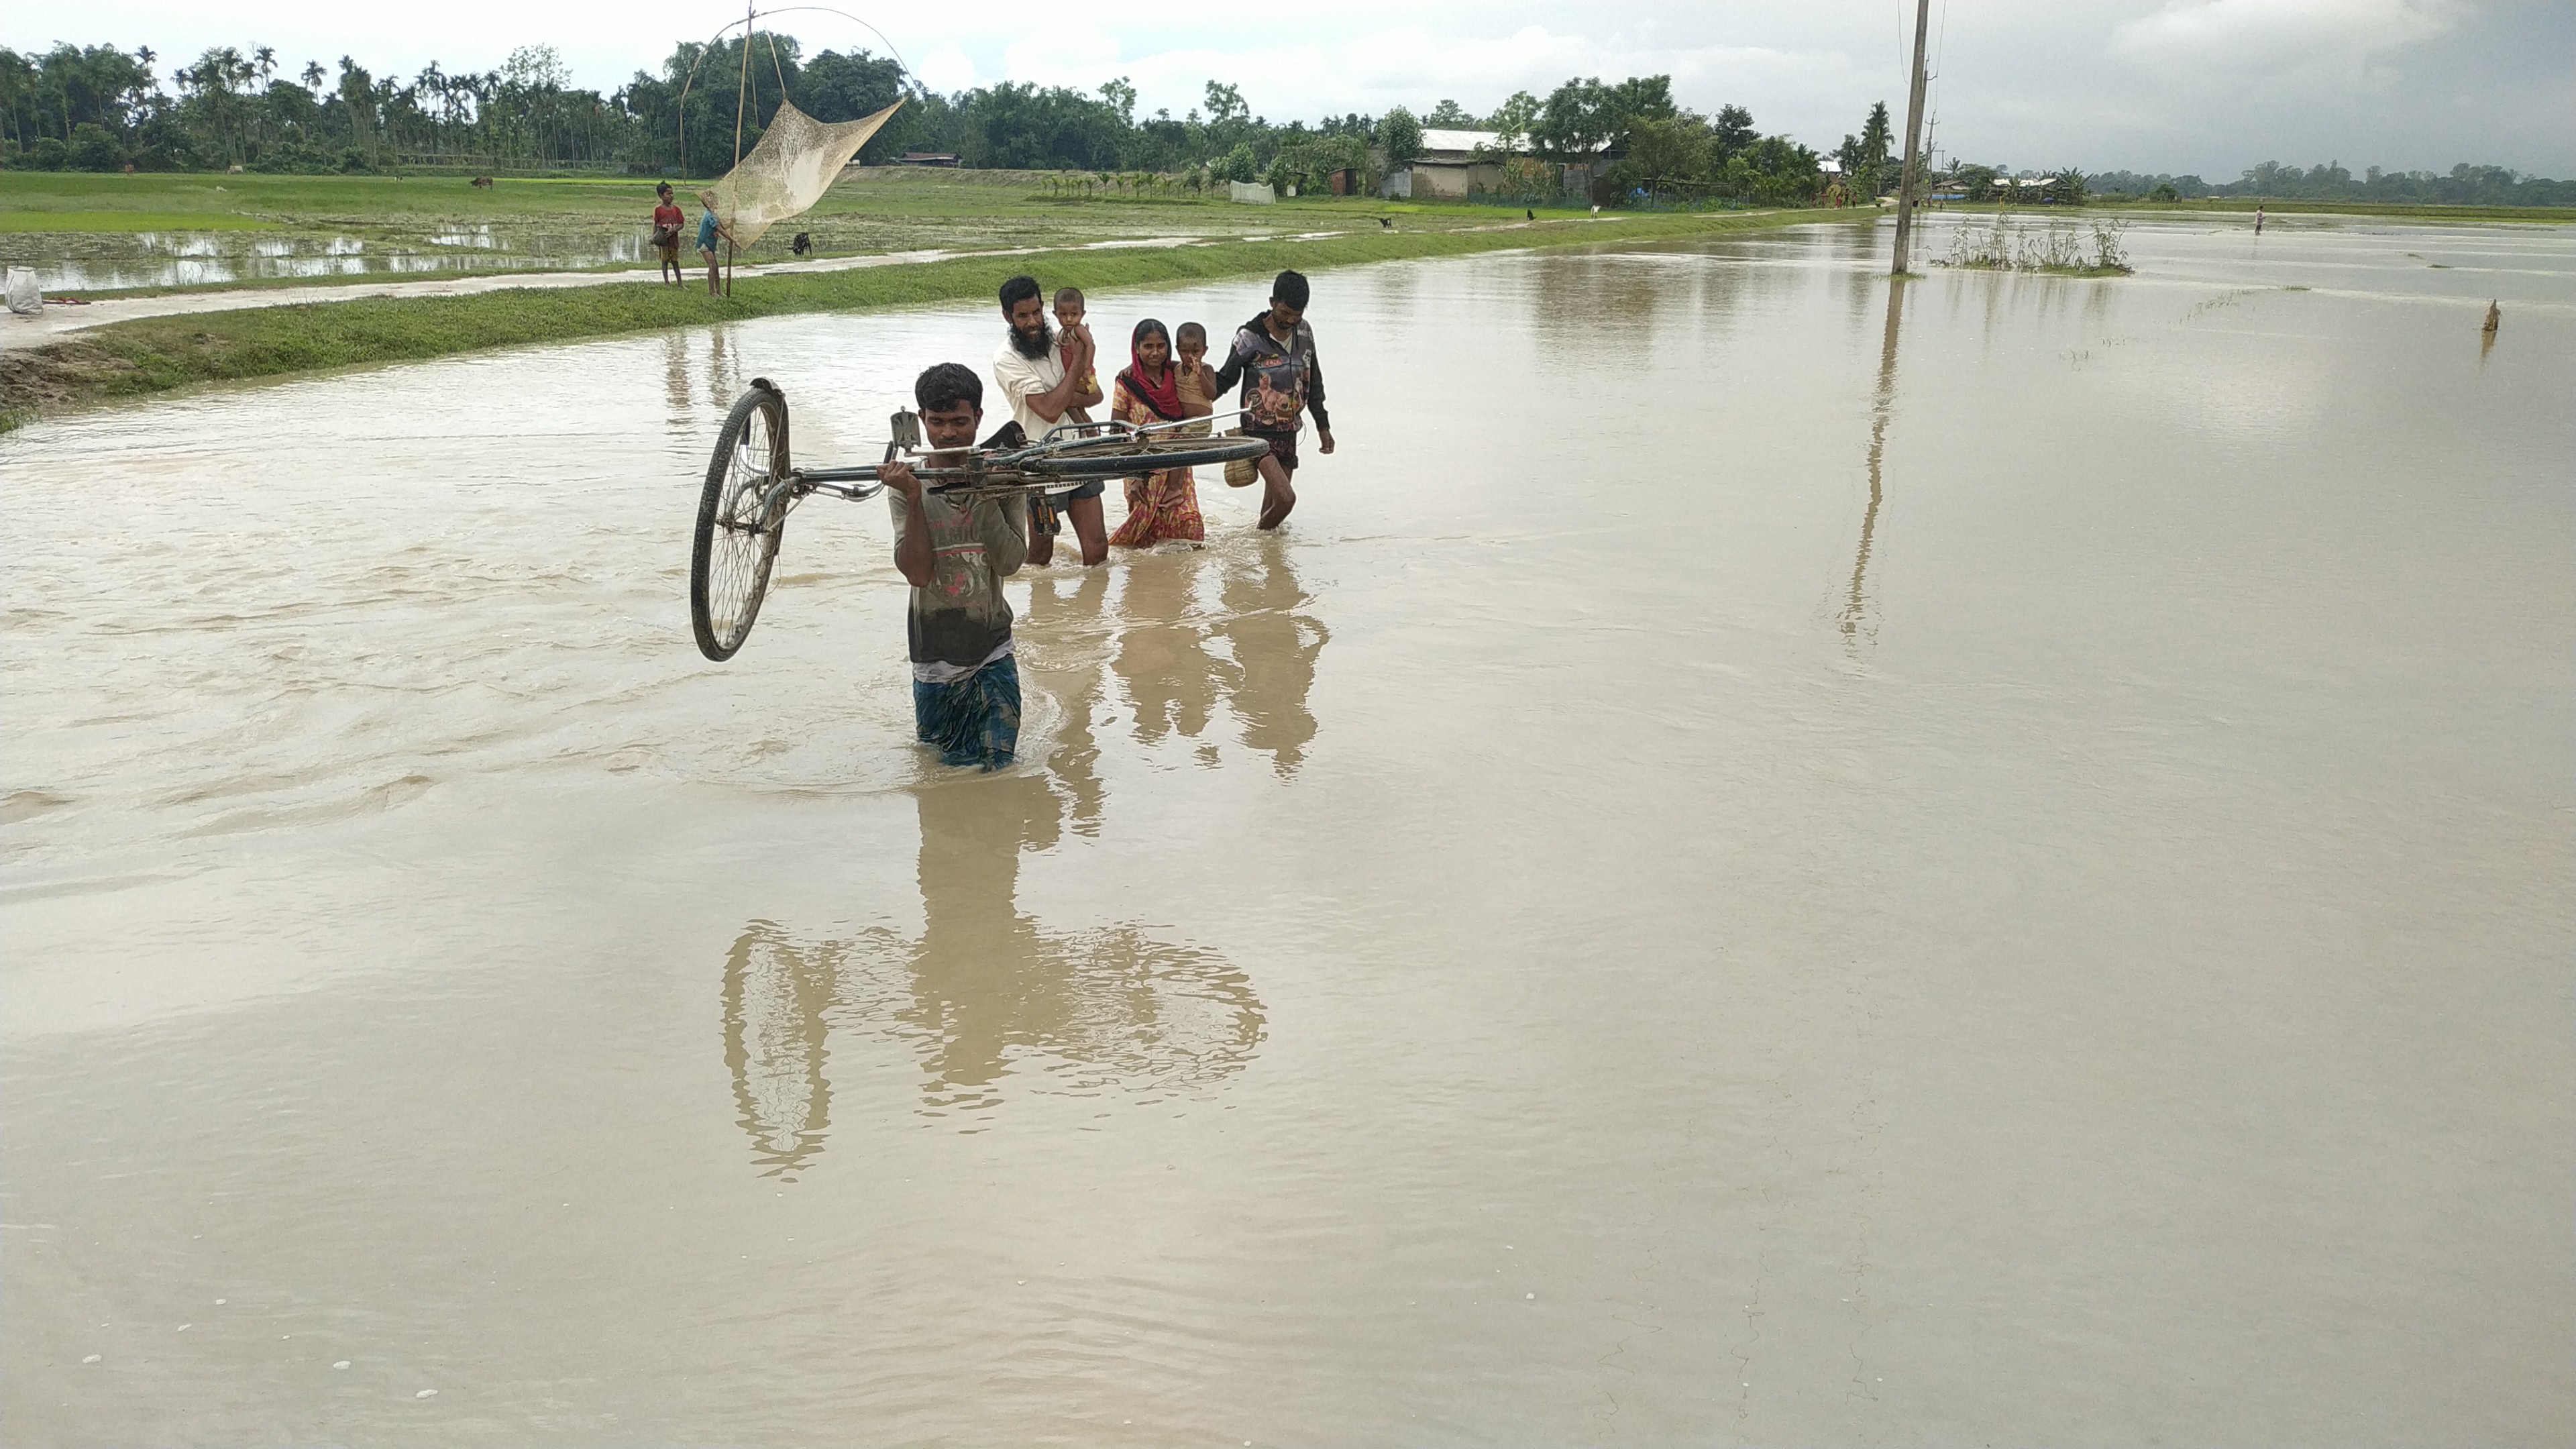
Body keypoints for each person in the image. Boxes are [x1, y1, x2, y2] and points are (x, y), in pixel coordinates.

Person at [880, 362, 1030, 771]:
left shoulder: (1007, 477)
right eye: (938, 422)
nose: (948, 434)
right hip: (934, 658)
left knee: (1000, 773)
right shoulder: (907, 486)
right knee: (946, 776)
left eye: (960, 422)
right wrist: (913, 498)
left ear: (979, 419)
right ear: (922, 422)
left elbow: (1011, 562)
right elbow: (918, 575)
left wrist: (984, 495)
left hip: (993, 651)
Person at [1203, 269, 1334, 531]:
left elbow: (1314, 380)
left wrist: (1323, 426)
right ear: (1272, 302)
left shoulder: (1305, 333)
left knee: (1274, 508)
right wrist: (1198, 382)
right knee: (1286, 500)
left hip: (1289, 432)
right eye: (1285, 313)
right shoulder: (1249, 338)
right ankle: (1255, 540)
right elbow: (1226, 379)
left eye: (1297, 315)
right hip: (1258, 434)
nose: (1290, 320)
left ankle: (1266, 556)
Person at [991, 274, 1106, 567]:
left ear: (1043, 308)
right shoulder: (1006, 358)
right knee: (1041, 556)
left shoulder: (1062, 341)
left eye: (1036, 313)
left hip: (1080, 454)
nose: (1031, 322)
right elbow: (1050, 411)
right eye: (1022, 316)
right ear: (1007, 316)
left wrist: (1064, 391)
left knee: (1098, 550)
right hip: (1038, 464)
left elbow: (1096, 396)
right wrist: (1078, 364)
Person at [1108, 319, 1205, 547]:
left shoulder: (1178, 374)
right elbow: (1118, 431)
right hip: (1142, 467)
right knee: (1144, 537)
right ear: (1137, 349)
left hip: (1178, 465)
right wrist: (1132, 476)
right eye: (1148, 347)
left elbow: (1204, 384)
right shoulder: (1126, 383)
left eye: (1161, 346)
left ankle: (1181, 582)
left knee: (1188, 527)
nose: (1155, 353)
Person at [1053, 287, 1099, 427]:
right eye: (1063, 314)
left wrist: (1087, 368)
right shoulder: (1062, 333)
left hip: (1085, 379)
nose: (1069, 319)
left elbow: (1091, 345)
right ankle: (1090, 432)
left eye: (1074, 314)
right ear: (1056, 314)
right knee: (1080, 409)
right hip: (1078, 377)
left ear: (1083, 314)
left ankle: (1085, 430)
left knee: (1067, 401)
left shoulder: (1078, 330)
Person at [651, 183, 686, 285]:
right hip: (664, 240)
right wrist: (654, 237)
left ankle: (680, 283)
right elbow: (656, 225)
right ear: (661, 196)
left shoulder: (676, 210)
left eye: (672, 193)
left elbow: (682, 224)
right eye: (668, 194)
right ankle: (667, 282)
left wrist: (673, 230)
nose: (671, 196)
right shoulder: (658, 210)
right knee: (665, 261)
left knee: (675, 262)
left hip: (674, 240)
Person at [696, 197, 731, 296]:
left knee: (716, 267)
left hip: (710, 244)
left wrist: (732, 222)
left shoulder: (714, 215)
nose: (717, 203)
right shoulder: (710, 215)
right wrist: (732, 240)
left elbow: (723, 226)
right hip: (704, 244)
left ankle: (719, 290)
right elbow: (720, 229)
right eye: (714, 201)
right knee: (712, 266)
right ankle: (712, 292)